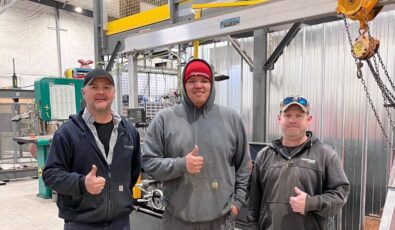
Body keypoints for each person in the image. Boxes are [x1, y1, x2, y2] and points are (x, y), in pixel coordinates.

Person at [142, 59, 251, 230]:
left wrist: (237, 203)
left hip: (221, 220)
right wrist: (181, 165)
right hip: (177, 220)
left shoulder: (232, 119)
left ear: (212, 84)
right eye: (192, 81)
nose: (198, 85)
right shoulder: (164, 119)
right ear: (184, 86)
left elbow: (244, 166)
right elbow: (148, 163)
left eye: (204, 80)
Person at [43, 68, 141, 230]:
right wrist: (82, 183)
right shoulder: (67, 133)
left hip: (120, 223)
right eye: (94, 87)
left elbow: (133, 173)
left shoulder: (129, 132)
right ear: (83, 92)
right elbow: (51, 174)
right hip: (81, 223)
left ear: (114, 92)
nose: (101, 92)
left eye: (107, 87)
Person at [248, 95, 350, 230]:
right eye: (287, 115)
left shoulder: (325, 155)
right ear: (279, 119)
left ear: (309, 119)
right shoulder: (265, 155)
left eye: (299, 115)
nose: (292, 120)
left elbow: (339, 195)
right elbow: (254, 205)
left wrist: (311, 203)